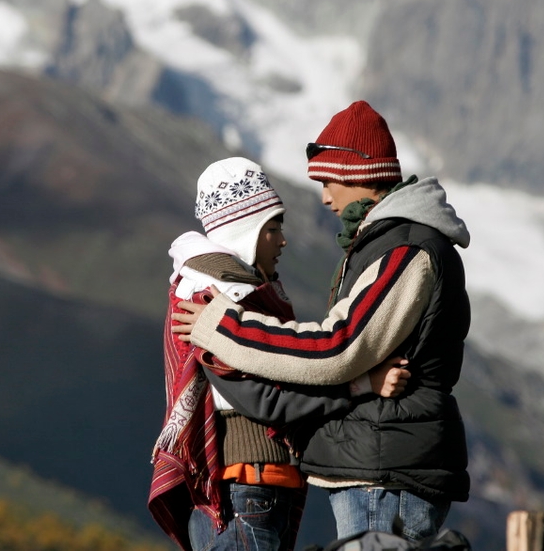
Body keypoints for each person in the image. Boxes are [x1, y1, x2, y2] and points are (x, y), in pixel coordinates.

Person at [172, 101, 471, 546]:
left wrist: (222, 327)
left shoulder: (405, 248)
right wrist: (363, 384)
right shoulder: (385, 245)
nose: (326, 198)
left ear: (358, 175)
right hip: (377, 461)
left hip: (384, 468)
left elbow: (337, 346)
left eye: (329, 181)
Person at [149, 156, 411, 551]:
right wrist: (363, 384)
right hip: (243, 491)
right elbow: (263, 399)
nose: (282, 240)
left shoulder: (243, 293)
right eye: (272, 227)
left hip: (259, 489)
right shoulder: (209, 300)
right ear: (244, 231)